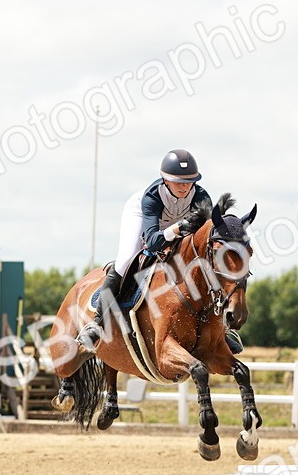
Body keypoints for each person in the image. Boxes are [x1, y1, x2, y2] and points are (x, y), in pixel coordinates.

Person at [76, 149, 213, 351]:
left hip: (176, 224)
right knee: (126, 259)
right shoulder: (151, 197)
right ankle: (97, 323)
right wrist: (176, 229)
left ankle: (222, 329)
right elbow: (152, 241)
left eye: (189, 181)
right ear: (165, 180)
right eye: (178, 181)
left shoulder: (202, 198)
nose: (184, 186)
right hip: (143, 216)